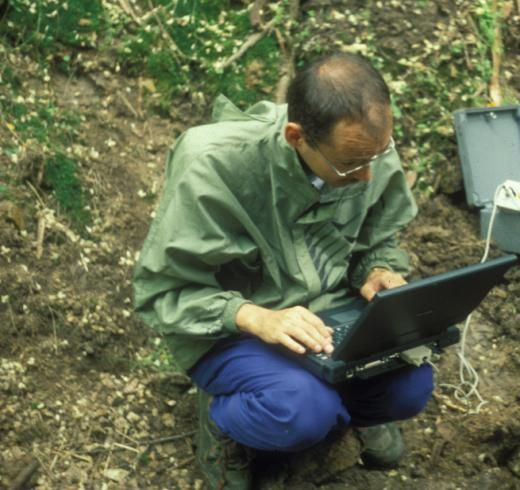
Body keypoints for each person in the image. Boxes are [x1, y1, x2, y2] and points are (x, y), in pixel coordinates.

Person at [132, 52, 433, 488]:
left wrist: (378, 269)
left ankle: (351, 404)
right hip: (233, 328)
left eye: (378, 154)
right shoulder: (213, 166)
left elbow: (377, 236)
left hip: (329, 316)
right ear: (296, 136)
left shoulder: (365, 144)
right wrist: (258, 317)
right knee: (303, 412)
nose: (368, 176)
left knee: (411, 386)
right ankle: (221, 421)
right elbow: (164, 292)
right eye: (350, 166)